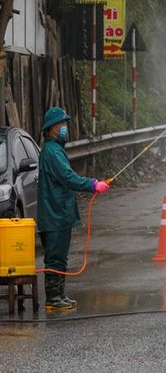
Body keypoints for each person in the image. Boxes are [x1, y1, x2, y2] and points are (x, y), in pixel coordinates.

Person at [37, 107, 110, 311]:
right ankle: (52, 298)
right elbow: (68, 177)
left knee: (61, 255)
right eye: (62, 124)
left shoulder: (55, 150)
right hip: (54, 213)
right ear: (52, 128)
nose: (64, 128)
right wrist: (93, 184)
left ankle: (59, 294)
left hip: (59, 213)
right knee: (55, 255)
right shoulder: (51, 151)